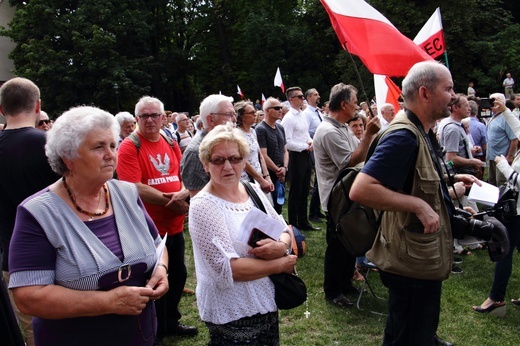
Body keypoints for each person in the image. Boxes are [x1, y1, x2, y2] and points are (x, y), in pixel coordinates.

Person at [8, 106, 168, 346]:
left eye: (113, 145)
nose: (111, 154)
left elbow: (158, 245)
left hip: (139, 335)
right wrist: (108, 302)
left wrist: (161, 270)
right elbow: (29, 297)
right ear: (68, 158)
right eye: (98, 147)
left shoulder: (126, 192)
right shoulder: (38, 212)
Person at [350, 61, 478, 345]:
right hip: (410, 264)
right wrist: (418, 206)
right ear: (425, 93)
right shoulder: (403, 136)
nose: (454, 96)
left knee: (404, 332)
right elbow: (361, 189)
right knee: (411, 335)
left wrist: (451, 195)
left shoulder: (421, 131)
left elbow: (416, 182)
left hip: (415, 258)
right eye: (448, 89)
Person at [189, 122, 296, 344]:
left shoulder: (252, 190)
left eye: (235, 159)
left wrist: (282, 246)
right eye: (218, 160)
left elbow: (284, 228)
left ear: (244, 161)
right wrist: (279, 264)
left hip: (266, 301)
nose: (228, 166)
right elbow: (228, 269)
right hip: (231, 310)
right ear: (205, 164)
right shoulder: (203, 206)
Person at [117, 96, 196, 340]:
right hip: (148, 228)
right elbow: (133, 186)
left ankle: (170, 323)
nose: (150, 120)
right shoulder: (130, 146)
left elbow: (181, 173)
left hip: (173, 225)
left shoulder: (169, 139)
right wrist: (173, 201)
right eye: (144, 116)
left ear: (163, 118)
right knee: (154, 281)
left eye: (154, 115)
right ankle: (155, 330)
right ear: (136, 118)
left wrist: (182, 192)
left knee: (178, 274)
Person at [0, 77, 58, 346]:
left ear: (2, 110)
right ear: (38, 106)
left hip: (13, 259)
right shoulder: (50, 147)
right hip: (60, 253)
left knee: (33, 333)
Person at [313, 83, 380, 308]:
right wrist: (368, 134)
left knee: (349, 242)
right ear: (343, 104)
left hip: (347, 193)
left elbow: (359, 155)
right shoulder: (329, 131)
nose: (356, 106)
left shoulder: (340, 127)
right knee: (337, 246)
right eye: (354, 102)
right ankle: (332, 290)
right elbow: (348, 162)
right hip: (336, 198)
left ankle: (344, 283)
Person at [472, 99, 520, 314]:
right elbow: (518, 127)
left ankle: (496, 298)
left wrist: (503, 165)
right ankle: (496, 297)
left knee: (504, 250)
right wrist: (505, 110)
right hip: (516, 209)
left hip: (517, 212)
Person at [181, 94, 236, 198]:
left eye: (234, 114)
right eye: (229, 114)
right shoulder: (195, 152)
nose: (234, 119)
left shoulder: (226, 143)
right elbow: (199, 199)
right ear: (211, 119)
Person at [281, 86, 318, 231]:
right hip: (296, 156)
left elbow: (305, 133)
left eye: (303, 96)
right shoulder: (289, 118)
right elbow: (287, 141)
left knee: (304, 189)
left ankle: (303, 221)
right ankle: (293, 222)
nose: (303, 99)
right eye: (300, 96)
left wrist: (310, 141)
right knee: (296, 190)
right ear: (291, 100)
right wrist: (304, 145)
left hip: (305, 154)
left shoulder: (302, 115)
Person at [256, 97, 289, 214]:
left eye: (281, 107)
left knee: (280, 202)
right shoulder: (261, 129)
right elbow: (263, 155)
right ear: (268, 110)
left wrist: (284, 168)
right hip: (269, 173)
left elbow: (285, 150)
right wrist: (277, 170)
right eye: (277, 108)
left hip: (281, 171)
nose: (281, 110)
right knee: (270, 206)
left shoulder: (280, 127)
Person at [437, 94, 484, 176]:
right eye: (466, 106)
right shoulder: (453, 129)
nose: (470, 109)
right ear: (455, 108)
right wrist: (472, 161)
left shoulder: (453, 124)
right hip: (458, 175)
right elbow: (450, 159)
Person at [235, 100, 273, 193]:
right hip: (246, 181)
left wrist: (267, 177)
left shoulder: (252, 131)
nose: (255, 114)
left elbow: (260, 156)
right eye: (252, 112)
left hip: (259, 177)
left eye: (255, 112)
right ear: (242, 116)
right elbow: (243, 161)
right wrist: (261, 180)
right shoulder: (236, 134)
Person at [486, 93, 518, 186]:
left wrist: (510, 156)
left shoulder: (506, 118)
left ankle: (502, 200)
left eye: (493, 101)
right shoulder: (492, 117)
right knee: (492, 181)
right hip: (492, 156)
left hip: (502, 156)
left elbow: (514, 138)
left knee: (501, 182)